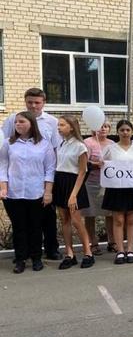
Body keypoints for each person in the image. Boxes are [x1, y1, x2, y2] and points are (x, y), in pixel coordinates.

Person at [1, 88, 63, 260]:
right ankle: (25, 253)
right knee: (22, 222)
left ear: (44, 103)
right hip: (18, 178)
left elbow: (56, 149)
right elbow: (5, 144)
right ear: (25, 102)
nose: (33, 105)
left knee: (47, 217)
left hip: (44, 176)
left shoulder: (51, 122)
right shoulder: (14, 119)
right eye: (30, 102)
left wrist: (50, 182)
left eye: (37, 102)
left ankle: (51, 249)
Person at [0, 111, 55, 273]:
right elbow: (2, 167)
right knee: (19, 228)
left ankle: (36, 258)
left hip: (36, 192)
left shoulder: (44, 144)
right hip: (13, 193)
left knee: (35, 227)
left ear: (31, 124)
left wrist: (48, 192)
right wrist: (3, 187)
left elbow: (50, 169)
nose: (18, 124)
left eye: (22, 121)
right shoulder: (8, 144)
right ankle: (20, 259)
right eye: (16, 122)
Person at [53, 115, 95, 269]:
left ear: (71, 127)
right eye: (58, 125)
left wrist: (73, 194)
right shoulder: (61, 144)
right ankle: (69, 254)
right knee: (64, 220)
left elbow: (82, 172)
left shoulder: (80, 146)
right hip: (60, 182)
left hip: (74, 184)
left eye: (62, 125)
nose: (59, 128)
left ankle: (88, 253)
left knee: (76, 221)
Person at [102, 120, 133, 264]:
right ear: (117, 132)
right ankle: (120, 250)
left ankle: (130, 249)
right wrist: (100, 164)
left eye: (128, 130)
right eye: (122, 130)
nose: (125, 132)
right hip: (116, 189)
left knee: (132, 220)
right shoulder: (110, 148)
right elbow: (103, 165)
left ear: (132, 131)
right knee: (118, 220)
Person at [82, 121, 114, 255]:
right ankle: (93, 243)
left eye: (106, 126)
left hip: (108, 184)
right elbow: (83, 161)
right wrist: (96, 164)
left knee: (110, 213)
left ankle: (112, 241)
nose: (103, 129)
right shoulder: (87, 142)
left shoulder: (112, 144)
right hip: (91, 183)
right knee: (90, 214)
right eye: (100, 126)